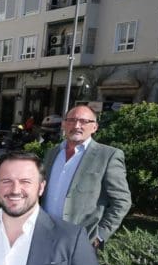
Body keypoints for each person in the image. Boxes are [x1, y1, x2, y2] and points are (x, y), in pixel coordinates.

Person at [41, 105, 132, 249]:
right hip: (44, 234)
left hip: (80, 240)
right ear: (64, 124)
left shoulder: (108, 156)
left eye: (84, 121)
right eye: (71, 120)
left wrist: (100, 235)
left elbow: (122, 201)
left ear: (94, 127)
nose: (77, 126)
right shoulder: (52, 153)